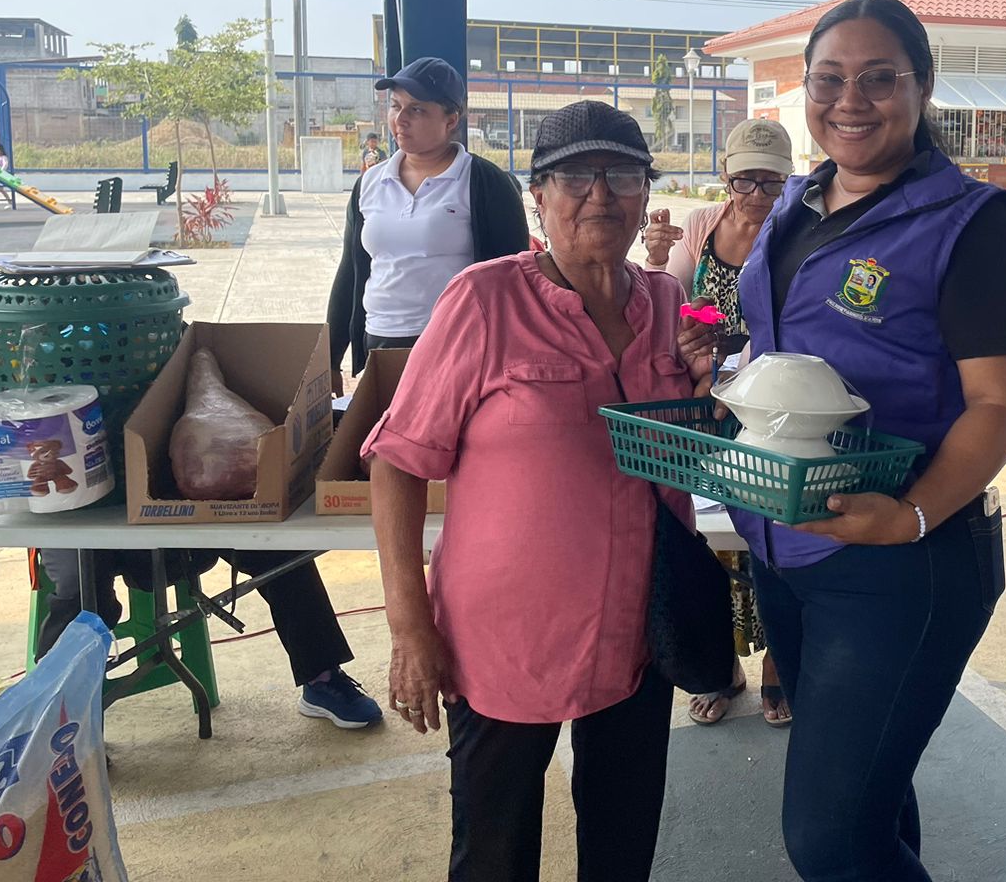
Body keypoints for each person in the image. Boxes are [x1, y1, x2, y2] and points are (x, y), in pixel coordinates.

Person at [726, 0, 1006, 881]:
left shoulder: (973, 225)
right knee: (870, 801)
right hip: (787, 544)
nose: (850, 101)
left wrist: (908, 517)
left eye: (878, 78)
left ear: (922, 86)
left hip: (904, 562)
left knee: (828, 839)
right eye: (828, 80)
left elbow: (999, 406)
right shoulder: (797, 203)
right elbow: (780, 344)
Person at [363, 101, 716, 882]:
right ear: (538, 197)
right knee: (494, 853)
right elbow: (397, 462)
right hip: (506, 641)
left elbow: (687, 463)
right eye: (574, 178)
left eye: (622, 175)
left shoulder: (667, 305)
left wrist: (708, 391)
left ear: (646, 194)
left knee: (623, 846)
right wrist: (409, 627)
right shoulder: (484, 300)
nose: (601, 195)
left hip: (638, 628)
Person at [645, 117, 796, 727]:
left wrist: (732, 379)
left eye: (771, 182)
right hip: (706, 398)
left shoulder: (798, 230)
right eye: (745, 180)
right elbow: (671, 300)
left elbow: (793, 322)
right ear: (725, 176)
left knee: (773, 534)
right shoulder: (705, 225)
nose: (757, 195)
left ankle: (779, 663)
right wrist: (657, 262)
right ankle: (723, 665)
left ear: (789, 180)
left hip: (769, 401)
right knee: (709, 539)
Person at [327, 57, 529, 395]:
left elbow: (513, 281)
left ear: (451, 120)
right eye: (395, 106)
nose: (400, 119)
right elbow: (351, 269)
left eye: (417, 110)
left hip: (456, 347)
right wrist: (331, 357)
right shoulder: (370, 183)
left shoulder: (484, 182)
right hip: (380, 340)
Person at [34, 548, 383, 728]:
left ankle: (321, 678)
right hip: (81, 503)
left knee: (280, 544)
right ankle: (57, 726)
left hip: (179, 496)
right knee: (80, 587)